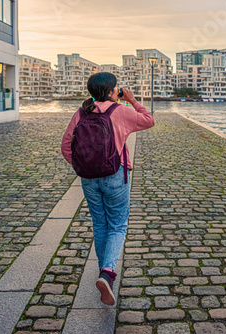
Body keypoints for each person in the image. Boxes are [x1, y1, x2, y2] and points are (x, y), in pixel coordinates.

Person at [61, 72, 154, 305]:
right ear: (113, 91)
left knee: (100, 223)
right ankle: (107, 272)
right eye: (116, 89)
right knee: (118, 225)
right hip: (115, 174)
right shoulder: (120, 110)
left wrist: (82, 165)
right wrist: (131, 100)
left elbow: (66, 146)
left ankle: (105, 272)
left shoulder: (82, 112)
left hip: (88, 178)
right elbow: (148, 120)